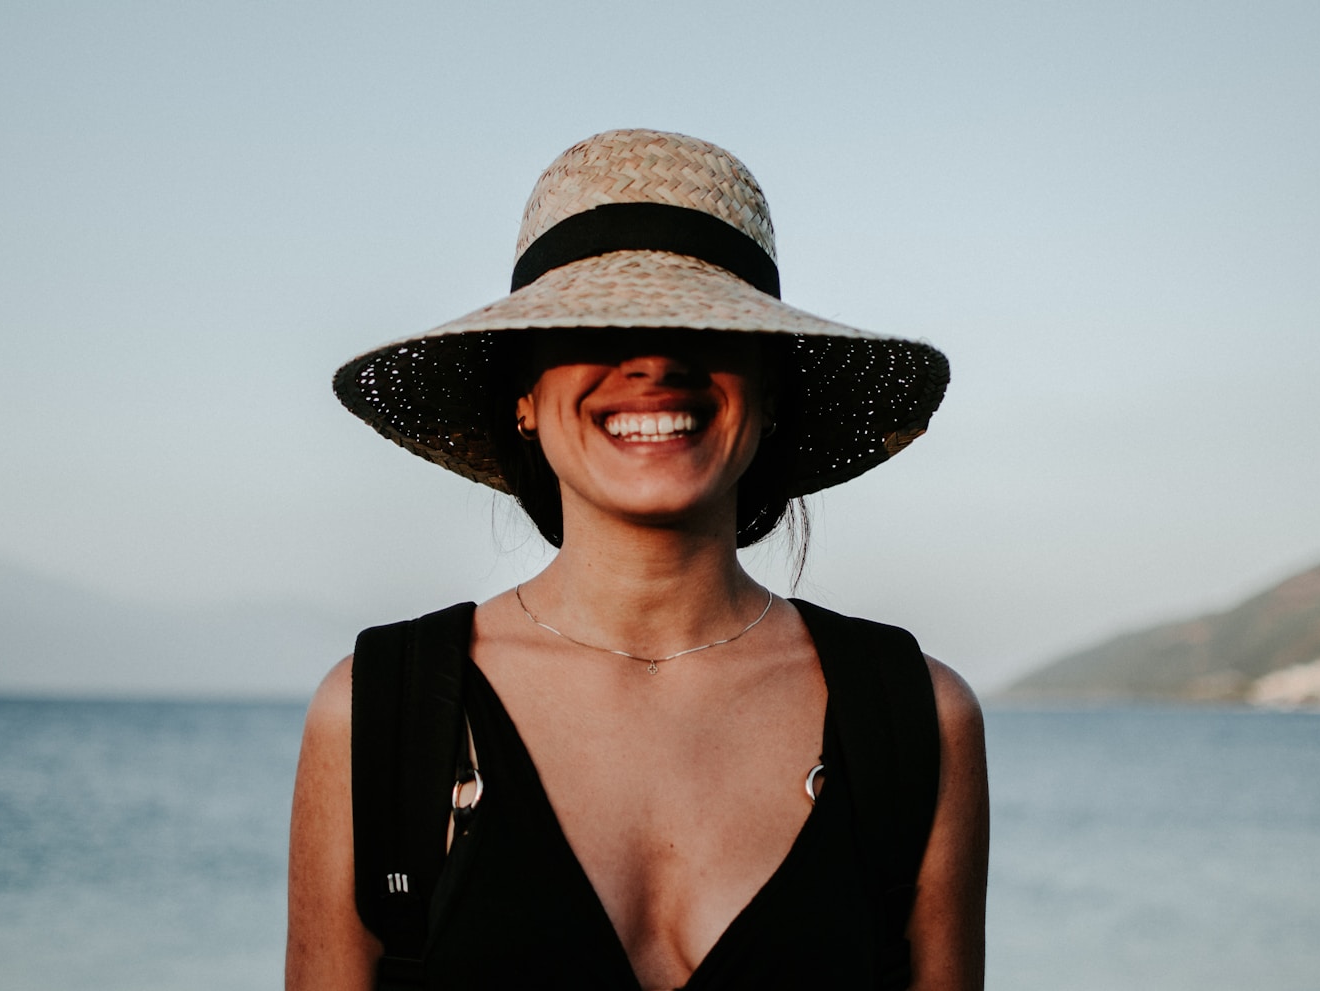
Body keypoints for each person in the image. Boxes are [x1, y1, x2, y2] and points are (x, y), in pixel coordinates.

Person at [288, 129, 988, 990]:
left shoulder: (916, 718)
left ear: (768, 388)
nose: (655, 359)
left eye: (705, 323)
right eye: (594, 323)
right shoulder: (376, 715)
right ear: (523, 394)